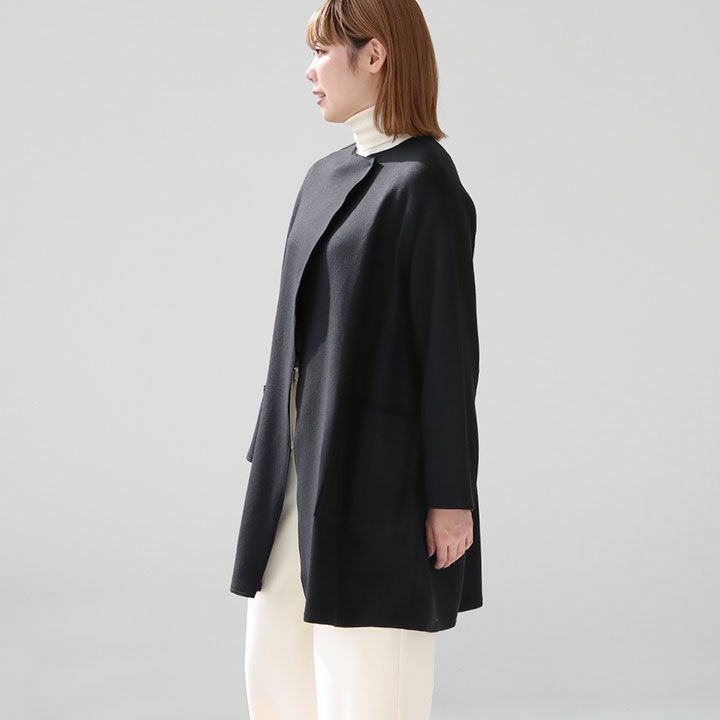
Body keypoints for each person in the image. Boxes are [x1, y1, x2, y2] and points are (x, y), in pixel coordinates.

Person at [231, 1, 483, 718]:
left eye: (322, 51)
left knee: (369, 688)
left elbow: (448, 352)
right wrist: (272, 454)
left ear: (374, 55)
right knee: (275, 678)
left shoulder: (425, 184)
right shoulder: (322, 177)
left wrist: (450, 496)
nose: (309, 71)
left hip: (381, 484)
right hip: (294, 475)